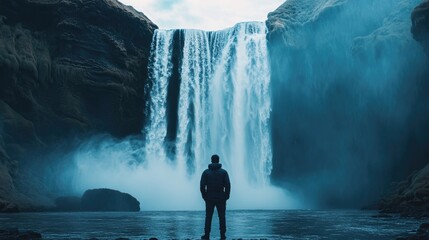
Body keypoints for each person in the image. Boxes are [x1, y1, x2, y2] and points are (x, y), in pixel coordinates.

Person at [200, 154, 231, 240]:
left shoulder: (206, 172)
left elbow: (202, 185)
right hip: (221, 197)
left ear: (211, 160)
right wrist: (226, 196)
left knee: (208, 217)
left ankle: (206, 235)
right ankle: (222, 235)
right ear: (218, 160)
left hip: (209, 197)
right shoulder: (224, 172)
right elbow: (227, 185)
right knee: (222, 216)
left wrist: (204, 196)